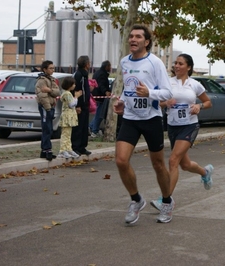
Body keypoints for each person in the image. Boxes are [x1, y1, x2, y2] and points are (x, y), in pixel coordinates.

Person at [113, 24, 173, 224]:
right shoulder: (124, 61)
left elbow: (167, 93)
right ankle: (136, 200)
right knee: (121, 160)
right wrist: (121, 101)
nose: (133, 39)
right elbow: (128, 88)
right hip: (130, 118)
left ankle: (166, 202)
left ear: (146, 42)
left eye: (138, 36)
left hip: (151, 118)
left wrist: (149, 93)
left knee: (157, 164)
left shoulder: (155, 63)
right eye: (131, 36)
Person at [150, 54, 213, 211]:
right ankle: (205, 172)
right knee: (184, 164)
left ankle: (165, 200)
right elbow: (158, 104)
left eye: (180, 63)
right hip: (173, 126)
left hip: (189, 126)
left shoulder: (195, 84)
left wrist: (199, 106)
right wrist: (166, 103)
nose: (176, 66)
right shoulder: (168, 83)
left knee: (173, 161)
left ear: (188, 67)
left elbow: (208, 102)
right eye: (175, 63)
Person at [35, 60, 60, 161]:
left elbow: (57, 91)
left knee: (49, 128)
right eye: (50, 68)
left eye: (53, 68)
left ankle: (45, 150)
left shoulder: (52, 80)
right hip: (46, 107)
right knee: (47, 128)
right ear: (45, 69)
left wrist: (50, 90)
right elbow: (42, 96)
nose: (52, 70)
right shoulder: (41, 80)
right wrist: (48, 108)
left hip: (51, 106)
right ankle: (47, 150)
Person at [71, 55, 94, 156]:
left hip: (86, 105)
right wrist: (77, 105)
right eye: (89, 62)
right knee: (78, 128)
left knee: (84, 127)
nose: (90, 64)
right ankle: (75, 147)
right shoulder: (78, 75)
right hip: (79, 105)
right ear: (85, 64)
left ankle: (82, 147)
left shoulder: (85, 75)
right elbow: (76, 91)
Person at [57, 77, 82, 159]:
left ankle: (68, 149)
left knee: (68, 134)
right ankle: (62, 150)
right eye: (73, 84)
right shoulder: (67, 94)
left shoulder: (67, 93)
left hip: (69, 116)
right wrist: (76, 97)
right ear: (69, 85)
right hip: (67, 116)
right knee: (65, 134)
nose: (74, 85)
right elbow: (71, 104)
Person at [89, 60, 112, 139]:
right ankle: (94, 131)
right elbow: (101, 85)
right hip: (100, 96)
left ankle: (91, 126)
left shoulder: (97, 72)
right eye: (109, 66)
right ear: (106, 67)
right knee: (100, 114)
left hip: (95, 95)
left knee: (98, 113)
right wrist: (106, 92)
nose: (110, 68)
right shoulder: (102, 74)